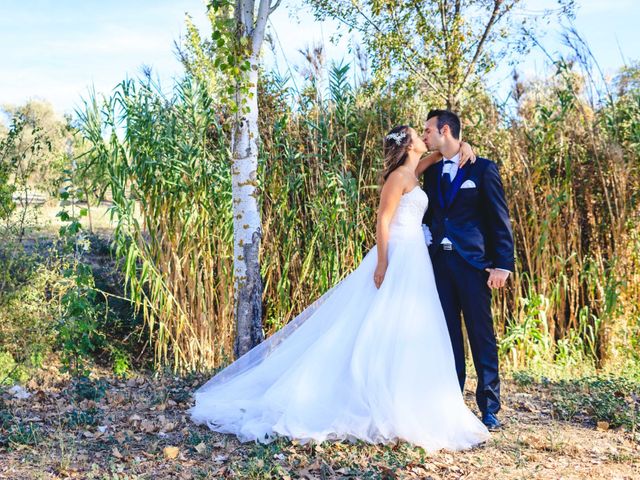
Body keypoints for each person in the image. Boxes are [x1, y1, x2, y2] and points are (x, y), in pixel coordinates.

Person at [189, 126, 490, 451]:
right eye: (417, 135)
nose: (423, 138)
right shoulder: (398, 178)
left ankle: (406, 396)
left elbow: (438, 155)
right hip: (398, 254)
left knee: (406, 323)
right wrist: (382, 263)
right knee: (374, 321)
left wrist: (466, 147)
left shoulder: (415, 170)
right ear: (407, 145)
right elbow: (383, 220)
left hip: (416, 258)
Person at [422, 109, 515, 430]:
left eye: (428, 130)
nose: (425, 136)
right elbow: (431, 215)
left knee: (481, 335)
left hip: (473, 264)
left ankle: (489, 408)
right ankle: (452, 403)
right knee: (447, 336)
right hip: (439, 265)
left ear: (445, 130)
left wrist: (502, 264)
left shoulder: (484, 168)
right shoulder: (431, 173)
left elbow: (498, 219)